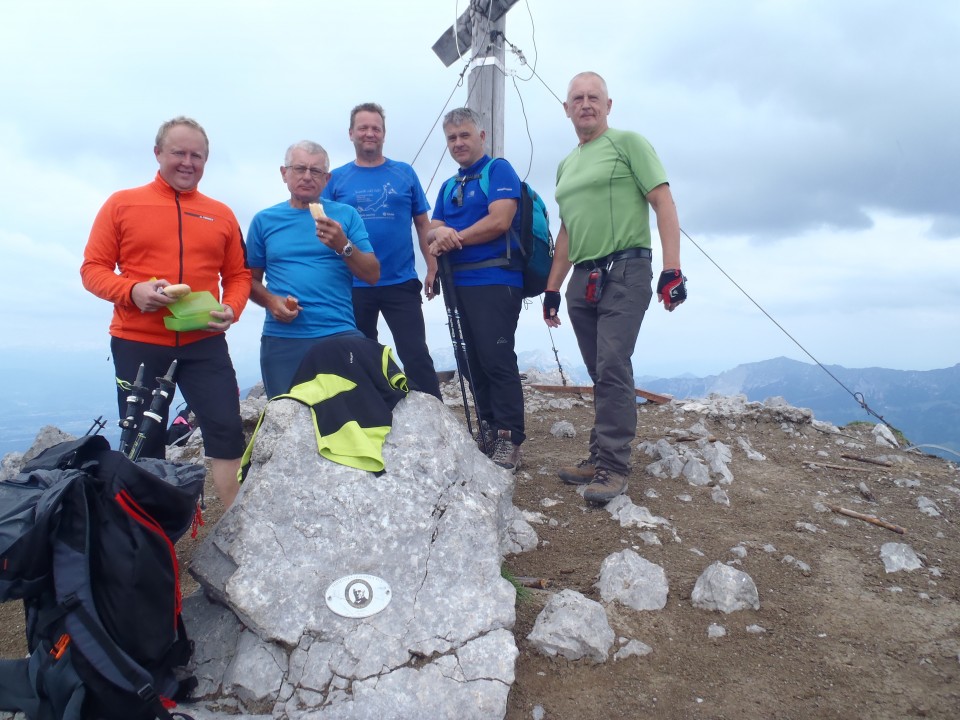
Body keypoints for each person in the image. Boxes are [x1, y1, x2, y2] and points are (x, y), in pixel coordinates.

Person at [81, 116, 252, 508]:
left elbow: (239, 274)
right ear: (158, 153)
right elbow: (92, 269)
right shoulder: (123, 203)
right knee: (145, 440)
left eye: (197, 155)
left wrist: (233, 308)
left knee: (226, 429)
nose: (187, 162)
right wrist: (132, 290)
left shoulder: (221, 213)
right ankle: (150, 539)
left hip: (205, 342)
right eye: (178, 153)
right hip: (137, 341)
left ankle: (236, 526)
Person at [543, 71, 687, 504]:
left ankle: (613, 467)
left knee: (612, 365)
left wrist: (672, 269)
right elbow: (568, 229)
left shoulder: (629, 144)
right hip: (582, 280)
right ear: (566, 109)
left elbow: (663, 201)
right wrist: (553, 288)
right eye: (577, 98)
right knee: (600, 372)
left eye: (594, 97)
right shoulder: (567, 164)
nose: (585, 104)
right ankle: (599, 454)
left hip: (626, 270)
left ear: (608, 106)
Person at [427, 107, 525, 472]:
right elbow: (431, 228)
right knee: (470, 362)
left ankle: (510, 438)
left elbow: (501, 220)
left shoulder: (497, 170)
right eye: (451, 138)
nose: (458, 143)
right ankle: (488, 425)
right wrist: (440, 236)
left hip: (495, 279)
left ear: (481, 136)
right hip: (459, 283)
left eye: (464, 135)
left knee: (496, 358)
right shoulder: (450, 185)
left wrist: (452, 237)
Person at [323, 103, 442, 399]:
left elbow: (422, 223)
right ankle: (372, 411)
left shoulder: (404, 173)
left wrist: (432, 266)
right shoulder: (335, 179)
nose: (369, 133)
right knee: (360, 356)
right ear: (351, 133)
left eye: (376, 128)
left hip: (400, 281)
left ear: (384, 134)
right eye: (363, 127)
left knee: (415, 354)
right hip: (352, 283)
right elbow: (322, 229)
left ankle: (435, 414)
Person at [246, 140, 379, 399]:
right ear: (284, 174)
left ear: (326, 178)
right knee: (287, 421)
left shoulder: (346, 216)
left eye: (316, 171)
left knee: (349, 419)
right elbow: (248, 281)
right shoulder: (264, 221)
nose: (307, 177)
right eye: (299, 169)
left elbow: (372, 274)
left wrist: (343, 245)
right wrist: (272, 301)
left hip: (338, 332)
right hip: (282, 339)